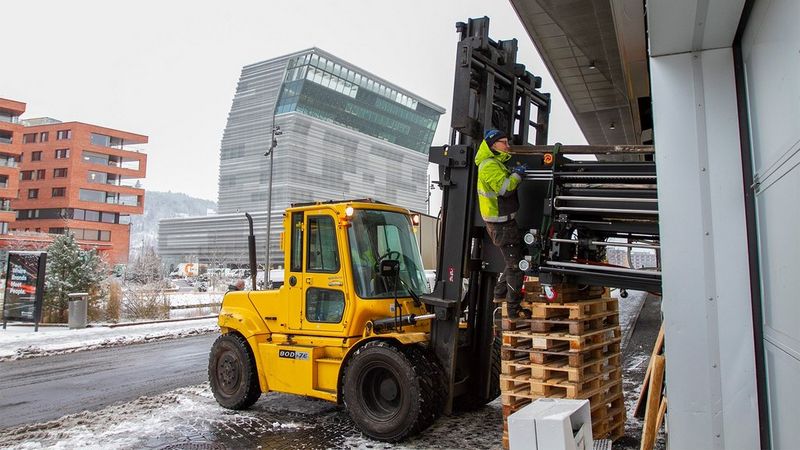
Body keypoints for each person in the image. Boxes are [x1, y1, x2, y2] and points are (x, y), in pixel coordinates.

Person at [475, 129, 530, 319]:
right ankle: (513, 310)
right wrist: (518, 175)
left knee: (513, 259)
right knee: (516, 266)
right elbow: (505, 189)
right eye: (504, 142)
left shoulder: (495, 163)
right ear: (493, 145)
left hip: (504, 223)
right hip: (502, 225)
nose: (508, 146)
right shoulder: (489, 165)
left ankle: (499, 293)